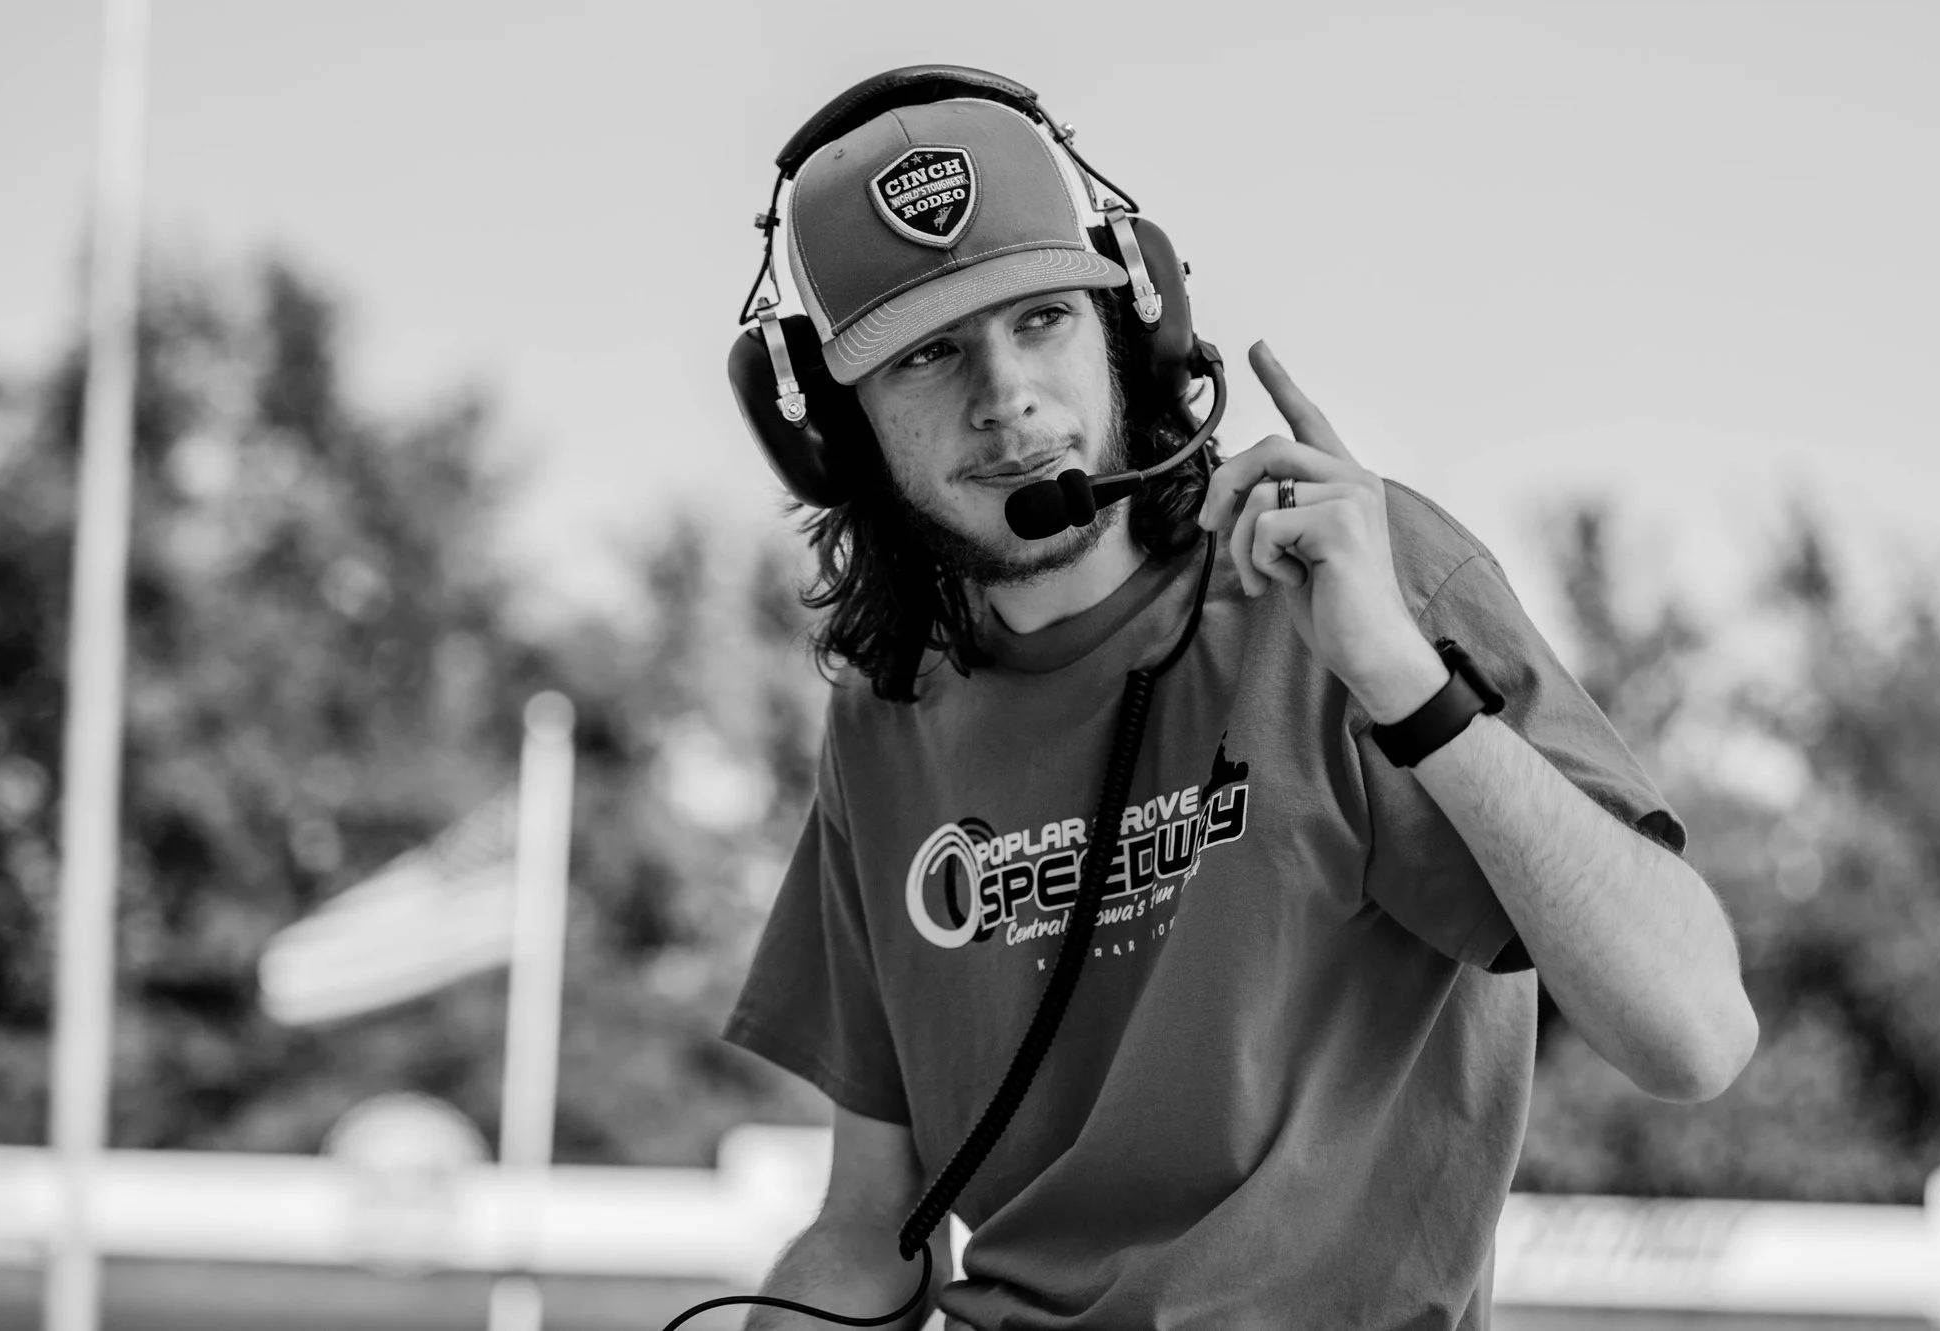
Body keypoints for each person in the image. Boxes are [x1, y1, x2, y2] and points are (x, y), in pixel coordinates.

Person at [719, 73, 1757, 1330]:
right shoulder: (888, 715)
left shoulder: (1357, 576)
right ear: (831, 430)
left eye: (1042, 318)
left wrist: (1404, 685)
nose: (1007, 399)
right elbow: (866, 1227)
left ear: (1131, 329)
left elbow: (1693, 1033)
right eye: (931, 353)